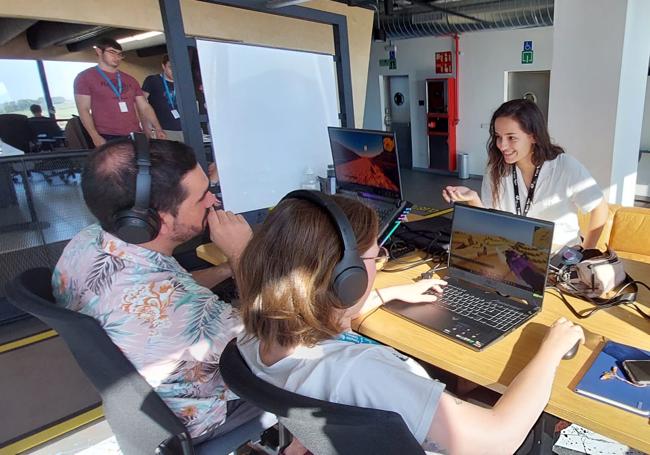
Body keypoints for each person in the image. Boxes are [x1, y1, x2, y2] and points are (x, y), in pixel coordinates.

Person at [234, 193, 584, 454]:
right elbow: (498, 439)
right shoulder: (361, 373)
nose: (379, 263)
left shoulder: (252, 337)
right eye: (375, 256)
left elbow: (315, 323)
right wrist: (550, 351)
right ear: (347, 279)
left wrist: (389, 295)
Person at [52, 138, 260, 442]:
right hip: (200, 414)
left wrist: (228, 267)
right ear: (156, 219)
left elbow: (167, 292)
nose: (213, 202)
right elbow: (268, 341)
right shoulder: (180, 310)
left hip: (144, 402)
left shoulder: (89, 241)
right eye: (201, 197)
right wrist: (243, 254)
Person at [443, 99, 608, 250]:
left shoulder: (564, 166)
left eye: (511, 138)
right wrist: (473, 199)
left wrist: (586, 253)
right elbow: (489, 223)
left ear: (533, 137)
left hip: (559, 257)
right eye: (498, 137)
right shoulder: (496, 169)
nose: (502, 145)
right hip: (513, 253)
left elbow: (599, 208)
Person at [73, 38, 167, 148]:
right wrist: (95, 136)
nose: (117, 57)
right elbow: (83, 110)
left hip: (134, 133)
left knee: (138, 164)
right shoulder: (85, 77)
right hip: (107, 135)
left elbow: (144, 106)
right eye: (112, 52)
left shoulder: (130, 79)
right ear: (99, 51)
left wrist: (158, 128)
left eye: (120, 54)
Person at [142, 54, 183, 142]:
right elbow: (141, 104)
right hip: (163, 129)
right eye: (171, 67)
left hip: (184, 129)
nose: (174, 71)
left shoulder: (183, 83)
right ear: (163, 66)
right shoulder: (153, 80)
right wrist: (148, 127)